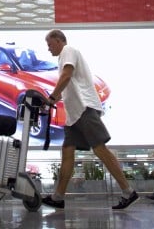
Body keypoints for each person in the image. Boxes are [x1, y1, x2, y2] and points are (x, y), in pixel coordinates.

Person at [41, 29, 139, 211]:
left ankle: (128, 191)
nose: (48, 49)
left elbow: (66, 76)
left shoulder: (68, 51)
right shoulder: (61, 58)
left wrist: (52, 98)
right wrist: (51, 101)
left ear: (58, 40)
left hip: (84, 109)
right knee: (67, 153)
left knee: (100, 149)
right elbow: (68, 86)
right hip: (73, 116)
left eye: (49, 44)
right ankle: (58, 197)